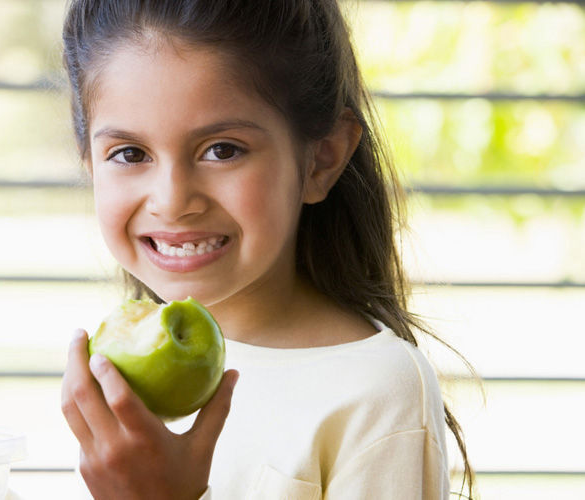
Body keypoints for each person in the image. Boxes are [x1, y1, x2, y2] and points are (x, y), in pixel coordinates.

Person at [58, 0, 475, 499]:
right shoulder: (123, 360)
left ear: (322, 160)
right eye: (129, 154)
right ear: (88, 160)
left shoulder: (376, 393)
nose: (172, 202)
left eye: (222, 150)